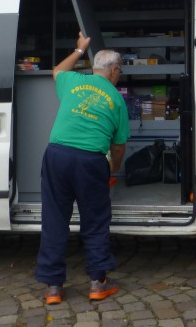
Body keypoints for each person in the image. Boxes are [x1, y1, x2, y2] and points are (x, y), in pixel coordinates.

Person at [36, 32, 129, 305]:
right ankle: (98, 282)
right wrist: (112, 171)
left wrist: (78, 49)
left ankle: (54, 287)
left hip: (56, 155)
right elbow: (119, 147)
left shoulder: (73, 80)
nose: (119, 75)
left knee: (54, 219)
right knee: (95, 220)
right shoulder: (117, 99)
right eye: (119, 71)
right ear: (113, 71)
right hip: (90, 161)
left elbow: (56, 70)